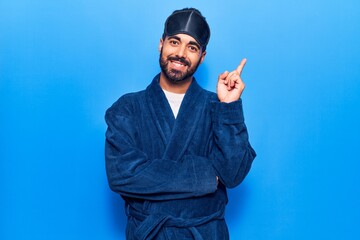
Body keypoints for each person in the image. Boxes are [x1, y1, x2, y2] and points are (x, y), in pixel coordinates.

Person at [105, 7, 256, 240]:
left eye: (192, 47)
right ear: (161, 43)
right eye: (174, 42)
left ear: (202, 56)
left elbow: (232, 174)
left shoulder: (217, 106)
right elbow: (122, 175)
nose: (181, 53)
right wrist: (206, 177)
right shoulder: (127, 108)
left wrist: (229, 108)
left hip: (206, 233)